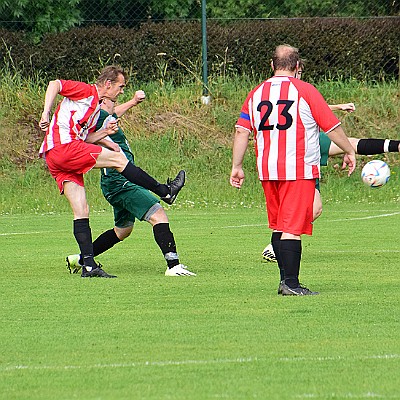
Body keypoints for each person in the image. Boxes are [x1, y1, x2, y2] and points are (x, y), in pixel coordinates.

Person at [230, 44, 356, 296]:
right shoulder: (305, 90)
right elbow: (331, 126)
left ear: (271, 65)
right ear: (297, 66)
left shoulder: (256, 93)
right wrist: (349, 150)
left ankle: (284, 281)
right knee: (291, 227)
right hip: (297, 169)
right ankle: (291, 283)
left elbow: (241, 130)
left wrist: (237, 166)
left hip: (267, 170)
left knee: (279, 225)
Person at [39, 66, 186, 278]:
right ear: (108, 84)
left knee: (82, 210)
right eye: (120, 86)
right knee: (118, 160)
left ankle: (88, 266)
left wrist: (104, 134)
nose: (121, 91)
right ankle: (164, 191)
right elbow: (55, 84)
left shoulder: (94, 112)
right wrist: (46, 112)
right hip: (63, 148)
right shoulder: (87, 91)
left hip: (57, 158)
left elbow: (86, 139)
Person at [262, 65, 400, 263]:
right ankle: (280, 246)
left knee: (315, 207)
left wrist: (337, 107)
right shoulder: (288, 91)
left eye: (300, 73)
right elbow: (316, 113)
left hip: (298, 150)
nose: (299, 76)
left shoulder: (280, 91)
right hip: (297, 150)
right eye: (297, 72)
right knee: (310, 207)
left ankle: (281, 244)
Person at [65, 92, 196, 277]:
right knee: (158, 214)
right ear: (102, 101)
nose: (115, 105)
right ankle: (173, 265)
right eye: (113, 101)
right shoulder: (100, 115)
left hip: (113, 183)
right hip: (121, 182)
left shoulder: (102, 116)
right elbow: (98, 124)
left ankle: (81, 259)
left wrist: (133, 102)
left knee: (123, 230)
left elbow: (114, 113)